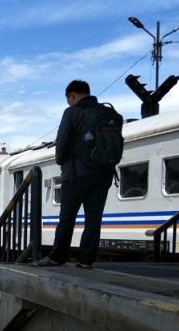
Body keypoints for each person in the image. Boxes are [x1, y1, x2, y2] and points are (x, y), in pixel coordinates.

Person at [34, 80, 120, 269]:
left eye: (69, 100)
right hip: (104, 174)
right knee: (94, 219)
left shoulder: (71, 113)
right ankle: (86, 260)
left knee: (67, 217)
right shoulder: (108, 113)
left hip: (76, 174)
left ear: (72, 96)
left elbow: (62, 143)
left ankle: (57, 257)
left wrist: (61, 160)